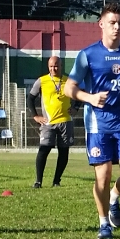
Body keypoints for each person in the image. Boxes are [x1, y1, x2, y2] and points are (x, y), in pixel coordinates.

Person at [63, 2, 120, 239]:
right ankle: (103, 224)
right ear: (101, 24)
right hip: (98, 123)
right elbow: (70, 88)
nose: (116, 27)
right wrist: (89, 97)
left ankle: (113, 198)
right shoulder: (88, 55)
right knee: (103, 174)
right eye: (112, 22)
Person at [28, 56, 73, 187]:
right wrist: (35, 116)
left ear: (61, 66)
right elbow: (30, 98)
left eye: (56, 66)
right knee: (44, 149)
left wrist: (75, 108)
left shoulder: (68, 81)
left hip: (65, 121)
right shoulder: (42, 81)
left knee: (64, 152)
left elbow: (79, 95)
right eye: (51, 66)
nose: (54, 68)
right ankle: (38, 181)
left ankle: (56, 181)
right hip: (48, 122)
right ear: (48, 67)